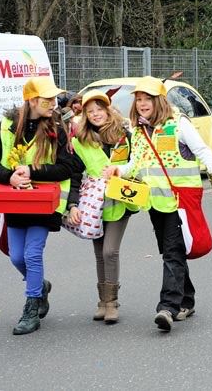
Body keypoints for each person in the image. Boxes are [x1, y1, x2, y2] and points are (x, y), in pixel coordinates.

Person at [104, 77, 212, 332]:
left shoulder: (179, 123)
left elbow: (204, 151)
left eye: (147, 99)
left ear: (158, 100)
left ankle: (167, 308)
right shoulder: (139, 130)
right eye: (138, 100)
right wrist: (116, 170)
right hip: (155, 201)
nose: (141, 104)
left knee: (173, 251)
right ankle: (187, 299)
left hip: (180, 198)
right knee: (170, 250)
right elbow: (136, 166)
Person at [0, 76, 74, 335]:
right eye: (48, 99)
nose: (54, 103)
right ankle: (41, 286)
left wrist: (32, 170)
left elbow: (69, 166)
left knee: (33, 255)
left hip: (44, 204)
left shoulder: (57, 126)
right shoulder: (9, 125)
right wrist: (8, 176)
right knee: (17, 257)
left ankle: (32, 306)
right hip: (16, 202)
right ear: (32, 100)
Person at [67, 90, 136, 324]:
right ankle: (103, 302)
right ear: (85, 115)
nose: (96, 115)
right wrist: (72, 205)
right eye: (90, 111)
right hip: (94, 203)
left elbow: (137, 164)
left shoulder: (124, 135)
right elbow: (74, 175)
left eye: (99, 109)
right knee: (99, 253)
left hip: (120, 199)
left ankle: (113, 302)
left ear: (108, 110)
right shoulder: (80, 140)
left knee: (109, 251)